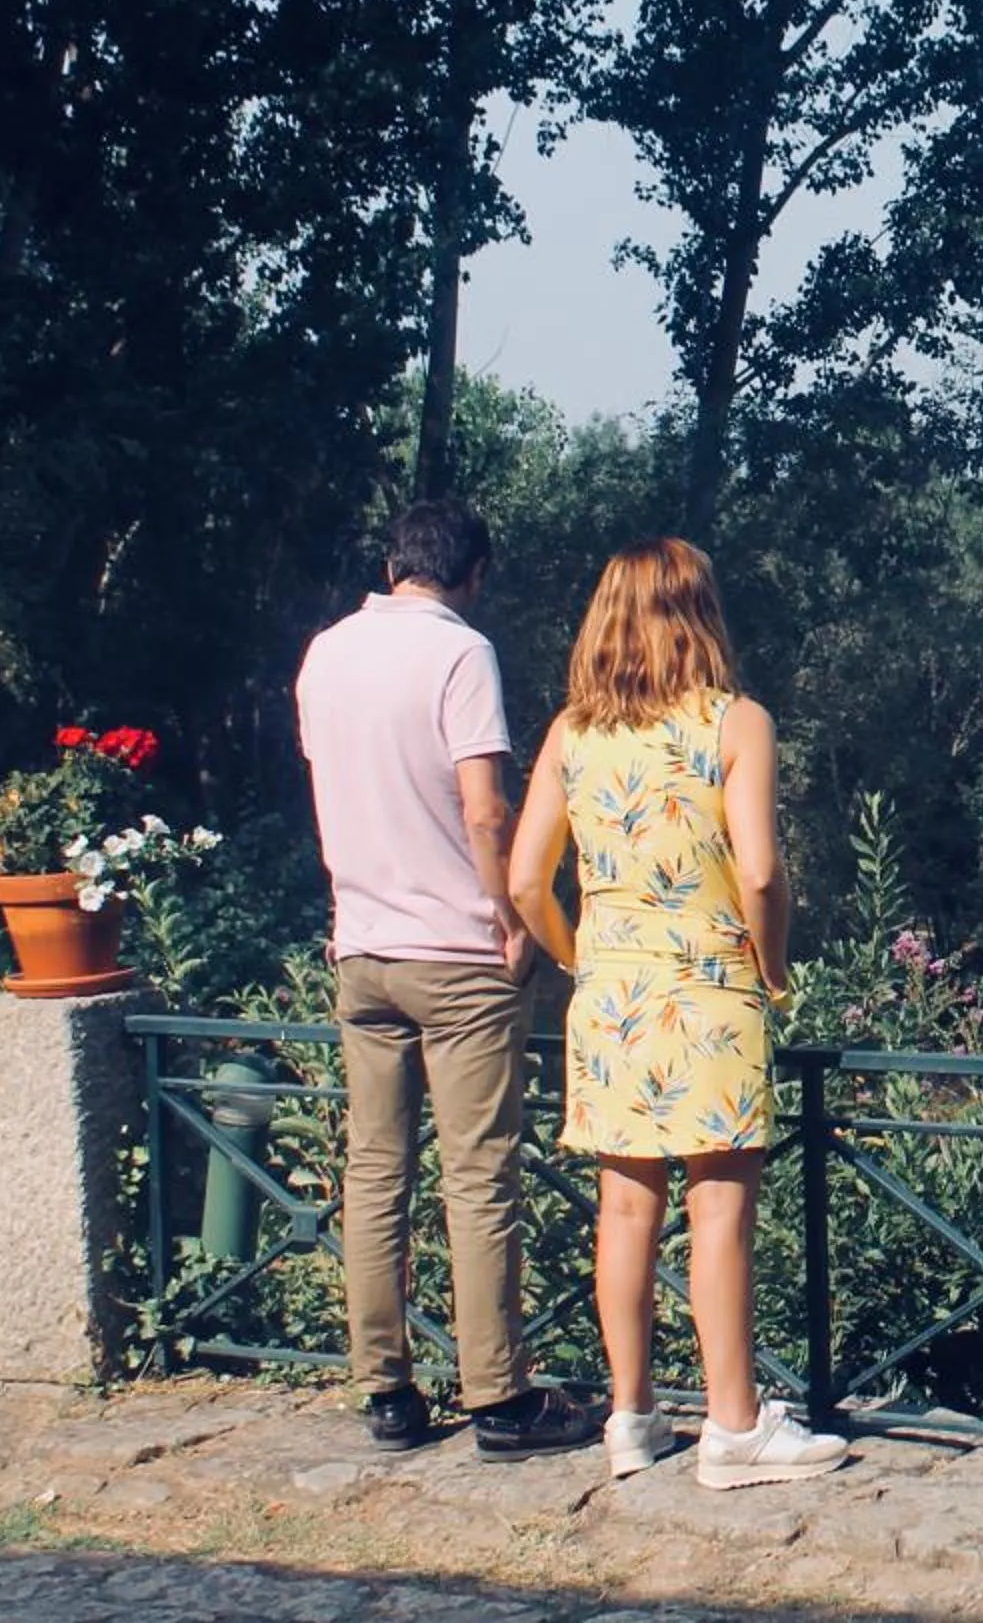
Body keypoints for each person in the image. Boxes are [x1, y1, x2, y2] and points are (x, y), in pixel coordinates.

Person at [508, 538, 848, 1487]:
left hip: (609, 996)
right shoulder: (736, 724)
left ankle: (631, 1417)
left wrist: (585, 959)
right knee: (720, 1215)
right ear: (700, 613)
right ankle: (734, 1428)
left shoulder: (571, 733)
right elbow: (763, 872)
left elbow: (526, 879)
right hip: (710, 991)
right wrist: (772, 967)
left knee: (623, 1209)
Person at [294, 499, 596, 1460]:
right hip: (457, 955)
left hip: (364, 946)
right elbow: (484, 807)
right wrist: (510, 914)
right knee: (479, 1176)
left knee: (374, 1173)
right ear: (474, 573)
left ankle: (384, 1391)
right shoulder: (461, 654)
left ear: (393, 564)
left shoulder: (325, 654)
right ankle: (498, 1398)